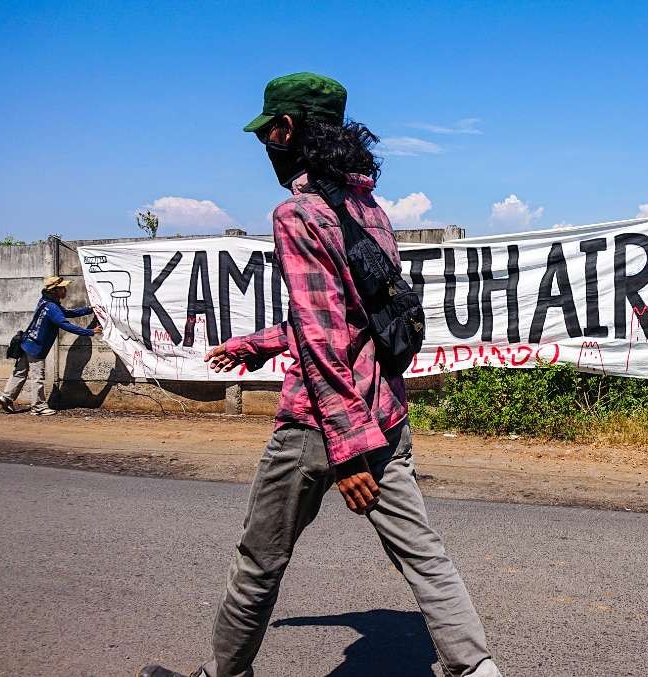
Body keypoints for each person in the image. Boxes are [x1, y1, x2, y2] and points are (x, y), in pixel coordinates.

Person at [140, 73, 501, 677]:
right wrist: (258, 345)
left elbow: (323, 333)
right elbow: (349, 320)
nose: (266, 148)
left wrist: (347, 449)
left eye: (268, 135)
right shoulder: (368, 210)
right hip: (386, 411)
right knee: (424, 558)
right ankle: (477, 669)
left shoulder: (297, 214)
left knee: (259, 560)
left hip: (319, 423)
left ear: (286, 130)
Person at [0, 275, 99, 416]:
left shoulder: (45, 302)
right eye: (63, 288)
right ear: (55, 291)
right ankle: (38, 406)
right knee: (37, 376)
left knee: (20, 372)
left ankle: (6, 396)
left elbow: (66, 313)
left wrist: (88, 310)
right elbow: (64, 324)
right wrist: (89, 332)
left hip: (27, 343)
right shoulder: (52, 307)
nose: (65, 290)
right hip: (36, 347)